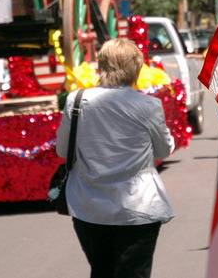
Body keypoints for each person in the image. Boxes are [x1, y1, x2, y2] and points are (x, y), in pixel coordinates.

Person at [56, 38, 174, 278]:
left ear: (101, 66)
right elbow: (163, 150)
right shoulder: (148, 105)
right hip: (138, 207)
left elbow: (62, 150)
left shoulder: (76, 101)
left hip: (88, 206)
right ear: (136, 68)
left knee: (101, 271)